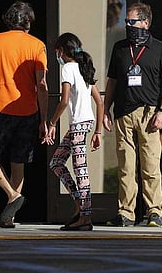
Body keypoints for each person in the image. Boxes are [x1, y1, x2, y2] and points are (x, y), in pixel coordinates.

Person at [103, 2, 162, 227]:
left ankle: (154, 211)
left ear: (145, 22)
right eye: (126, 22)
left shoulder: (160, 48)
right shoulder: (120, 48)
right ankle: (126, 212)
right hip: (123, 113)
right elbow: (112, 81)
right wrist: (105, 109)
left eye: (132, 22)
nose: (128, 26)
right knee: (125, 166)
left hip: (149, 114)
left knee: (151, 165)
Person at [0, 0, 48, 228]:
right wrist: (44, 119)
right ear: (28, 21)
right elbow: (42, 85)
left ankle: (11, 195)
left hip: (1, 107)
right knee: (18, 161)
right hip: (29, 110)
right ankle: (10, 215)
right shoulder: (37, 45)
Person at [43, 32, 103, 231]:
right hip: (84, 124)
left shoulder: (68, 68)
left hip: (78, 124)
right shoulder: (84, 67)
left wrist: (51, 123)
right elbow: (100, 102)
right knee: (57, 162)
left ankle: (85, 216)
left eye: (56, 51)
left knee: (80, 169)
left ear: (61, 51)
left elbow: (64, 100)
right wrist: (97, 131)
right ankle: (80, 205)